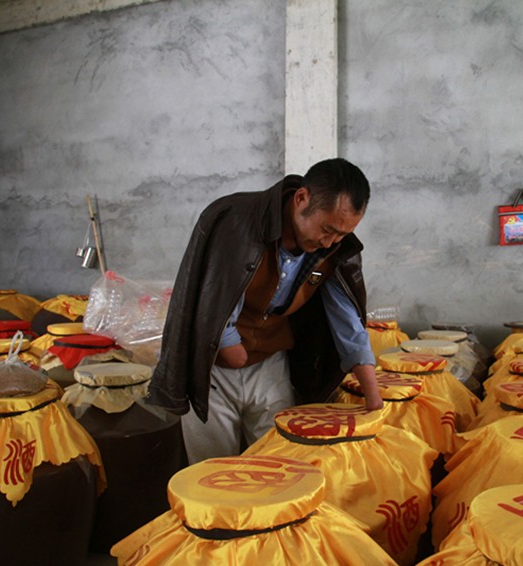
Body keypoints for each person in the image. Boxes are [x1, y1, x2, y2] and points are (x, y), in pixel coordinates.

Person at [150, 158, 384, 463]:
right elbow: (214, 294)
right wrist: (229, 344)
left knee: (278, 465)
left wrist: (373, 396)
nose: (330, 242)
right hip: (211, 367)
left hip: (270, 362)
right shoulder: (235, 219)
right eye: (327, 230)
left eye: (341, 235)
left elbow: (347, 322)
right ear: (302, 199)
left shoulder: (333, 248)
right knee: (214, 470)